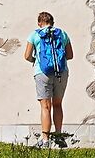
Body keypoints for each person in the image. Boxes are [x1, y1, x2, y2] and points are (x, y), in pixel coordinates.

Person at [25, 10, 71, 142]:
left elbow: (27, 56)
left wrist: (35, 60)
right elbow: (70, 55)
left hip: (42, 72)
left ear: (39, 23)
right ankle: (58, 136)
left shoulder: (34, 35)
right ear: (52, 22)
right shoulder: (62, 33)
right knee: (58, 104)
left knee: (45, 106)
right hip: (61, 72)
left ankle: (45, 139)